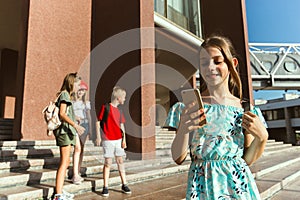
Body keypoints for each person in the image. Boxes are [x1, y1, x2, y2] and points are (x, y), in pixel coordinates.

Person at [170, 35, 269, 200]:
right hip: (202, 187)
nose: (210, 67)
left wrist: (263, 137)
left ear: (232, 64)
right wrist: (183, 130)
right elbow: (177, 158)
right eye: (204, 63)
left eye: (217, 61)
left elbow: (247, 160)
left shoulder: (245, 109)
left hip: (238, 187)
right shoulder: (187, 108)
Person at [53, 73, 85, 200]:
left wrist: (75, 118)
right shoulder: (65, 94)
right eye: (77, 84)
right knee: (64, 162)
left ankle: (60, 191)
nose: (78, 87)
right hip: (65, 132)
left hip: (68, 131)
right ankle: (58, 195)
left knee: (66, 162)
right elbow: (62, 114)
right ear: (72, 83)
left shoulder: (66, 95)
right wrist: (75, 125)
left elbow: (65, 113)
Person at [95, 86, 131, 197]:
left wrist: (124, 139)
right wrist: (98, 137)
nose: (125, 99)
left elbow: (122, 126)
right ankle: (105, 186)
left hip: (118, 140)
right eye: (124, 97)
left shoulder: (120, 111)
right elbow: (98, 122)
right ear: (118, 98)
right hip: (108, 140)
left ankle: (124, 184)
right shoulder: (105, 107)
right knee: (108, 163)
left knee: (120, 161)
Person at [71, 80, 92, 184]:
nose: (81, 92)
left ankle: (77, 170)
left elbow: (89, 116)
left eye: (83, 90)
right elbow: (69, 114)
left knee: (81, 149)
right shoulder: (72, 102)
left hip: (84, 125)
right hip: (75, 125)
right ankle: (75, 174)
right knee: (77, 148)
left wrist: (91, 129)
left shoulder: (86, 103)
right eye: (80, 89)